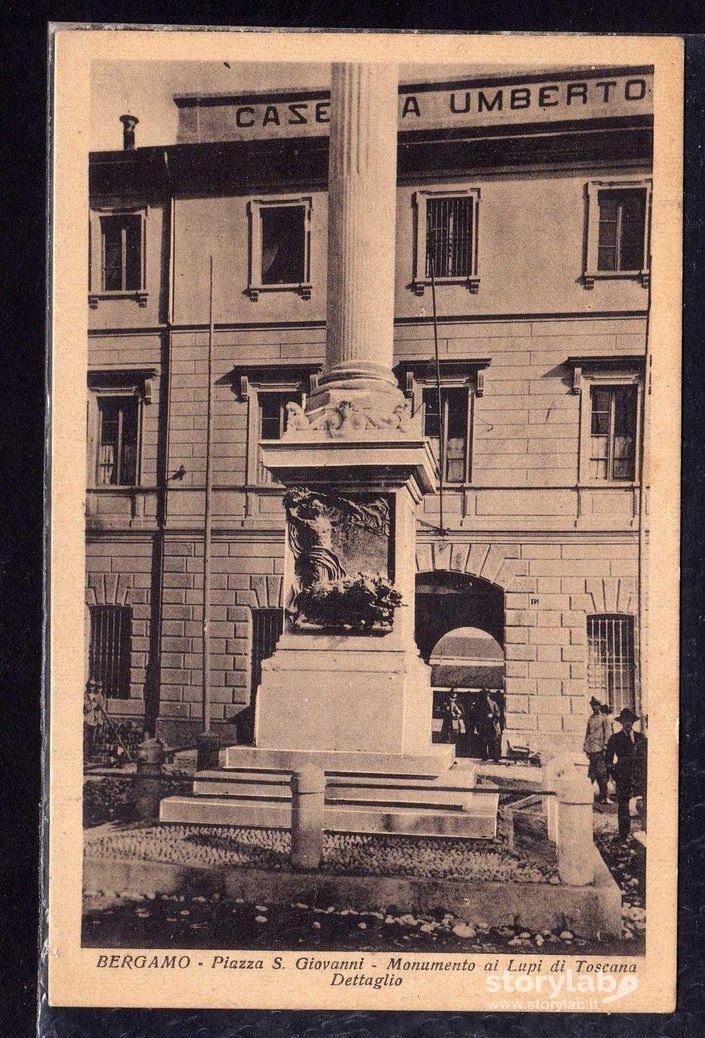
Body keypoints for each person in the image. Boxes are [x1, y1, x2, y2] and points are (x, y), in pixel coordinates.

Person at [606, 707, 646, 841]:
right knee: (623, 805)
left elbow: (646, 757)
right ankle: (623, 834)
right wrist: (614, 776)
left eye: (630, 720)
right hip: (623, 776)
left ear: (633, 722)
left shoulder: (641, 738)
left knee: (643, 804)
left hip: (639, 777)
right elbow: (608, 761)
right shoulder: (615, 738)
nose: (628, 723)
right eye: (625, 720)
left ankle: (645, 832)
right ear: (621, 722)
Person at [583, 695, 612, 803]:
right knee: (591, 773)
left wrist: (605, 747)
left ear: (599, 706)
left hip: (599, 749)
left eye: (596, 705)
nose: (594, 707)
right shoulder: (590, 718)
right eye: (592, 705)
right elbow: (587, 733)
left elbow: (607, 733)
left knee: (601, 774)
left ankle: (604, 796)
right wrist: (585, 746)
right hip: (591, 749)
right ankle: (586, 795)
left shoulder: (604, 718)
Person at [477, 688, 502, 762]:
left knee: (494, 741)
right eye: (484, 693)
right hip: (484, 724)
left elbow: (498, 713)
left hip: (492, 724)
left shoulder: (493, 703)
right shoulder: (480, 704)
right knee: (484, 741)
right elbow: (477, 714)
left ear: (489, 694)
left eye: (487, 693)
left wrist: (492, 715)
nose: (485, 695)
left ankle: (495, 757)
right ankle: (484, 756)